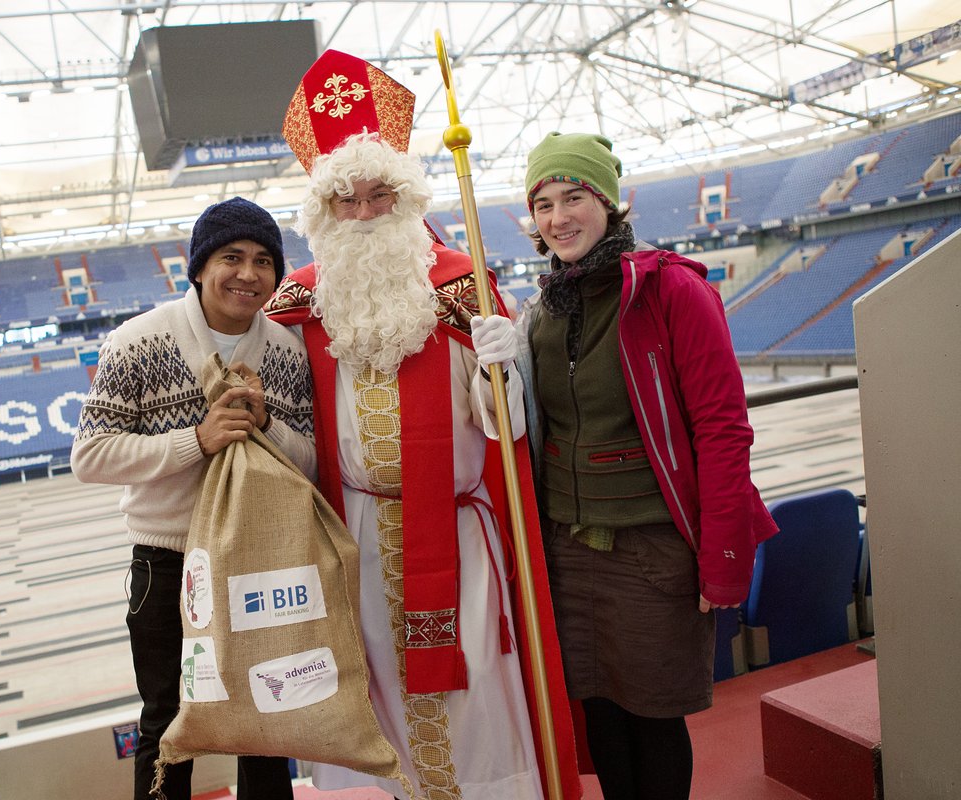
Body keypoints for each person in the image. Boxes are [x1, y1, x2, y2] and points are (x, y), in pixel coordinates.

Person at [266, 50, 582, 800]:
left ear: (407, 199)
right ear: (325, 212)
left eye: (381, 195)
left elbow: (508, 434)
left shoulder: (462, 284)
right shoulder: (294, 305)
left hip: (461, 541)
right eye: (349, 201)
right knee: (375, 700)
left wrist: (500, 369)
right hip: (357, 543)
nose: (367, 213)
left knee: (476, 701)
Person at [513, 132, 779, 800]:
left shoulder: (671, 292)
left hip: (655, 548)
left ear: (610, 202)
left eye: (574, 196)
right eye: (543, 204)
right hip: (569, 553)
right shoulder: (543, 312)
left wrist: (722, 559)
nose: (558, 217)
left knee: (654, 719)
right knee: (599, 713)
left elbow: (723, 429)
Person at [70, 197, 315, 800]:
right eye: (231, 257)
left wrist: (271, 430)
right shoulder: (138, 342)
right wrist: (194, 443)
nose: (248, 274)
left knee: (265, 719)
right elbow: (90, 456)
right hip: (168, 560)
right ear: (200, 267)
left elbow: (309, 459)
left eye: (263, 261)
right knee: (168, 724)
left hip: (260, 559)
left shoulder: (285, 350)